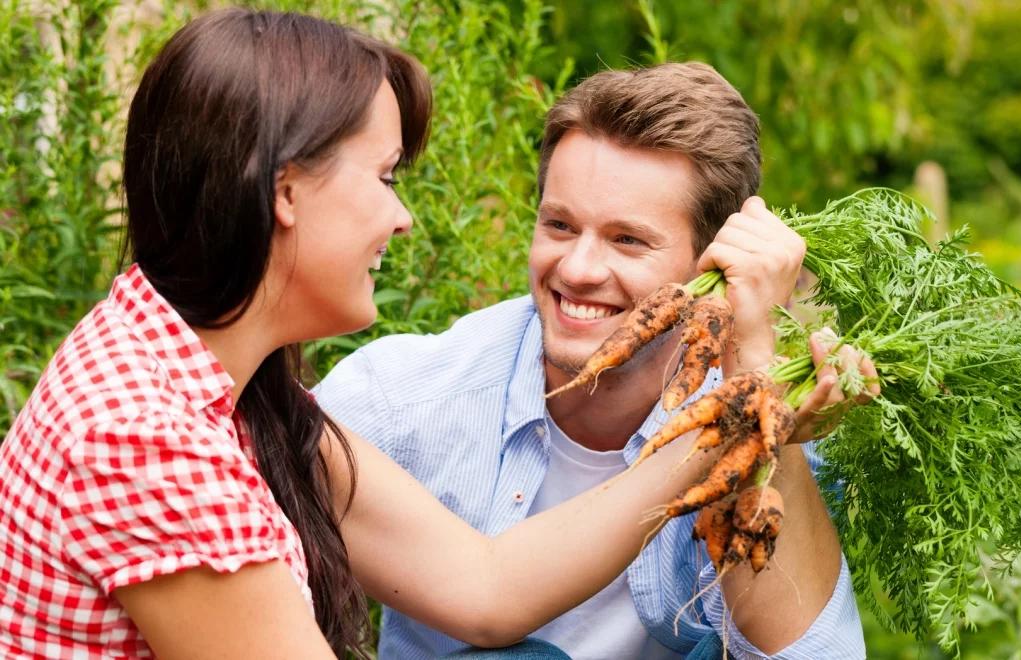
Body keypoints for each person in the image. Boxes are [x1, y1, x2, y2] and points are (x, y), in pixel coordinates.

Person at [0, 12, 842, 658]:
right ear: (287, 192)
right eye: (384, 176)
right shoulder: (146, 437)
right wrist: (748, 400)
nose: (402, 218)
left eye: (626, 239)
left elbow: (486, 586)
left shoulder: (221, 392)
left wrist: (745, 397)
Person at [317, 62, 877, 659]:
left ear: (711, 267)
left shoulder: (776, 415)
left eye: (627, 240)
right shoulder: (398, 400)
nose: (579, 270)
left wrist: (755, 377)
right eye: (559, 225)